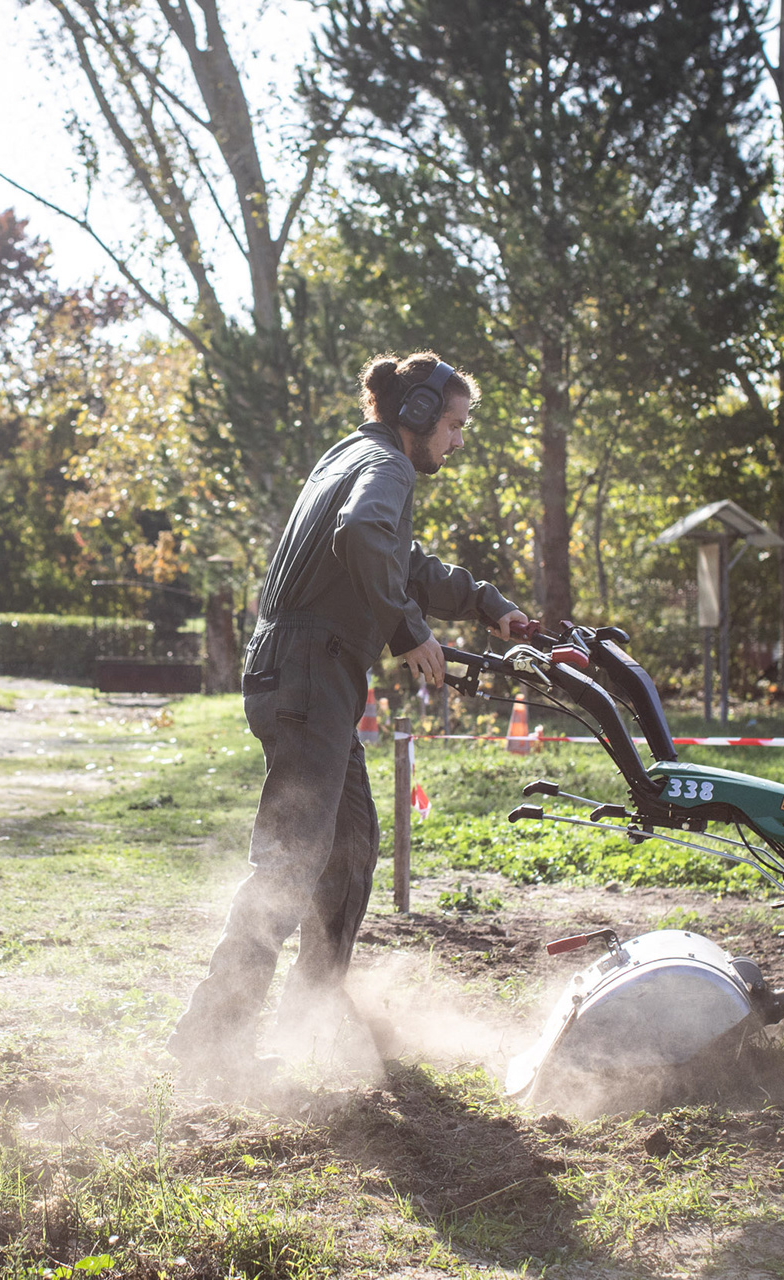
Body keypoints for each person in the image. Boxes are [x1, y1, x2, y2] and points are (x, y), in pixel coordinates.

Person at [166, 352, 530, 1083]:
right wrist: (410, 631)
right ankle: (212, 1036)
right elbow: (362, 539)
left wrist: (490, 606)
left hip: (310, 675)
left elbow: (404, 563)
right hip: (309, 673)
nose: (457, 441)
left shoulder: (353, 455)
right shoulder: (387, 469)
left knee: (353, 845)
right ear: (419, 415)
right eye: (455, 425)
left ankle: (312, 1019)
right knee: (292, 861)